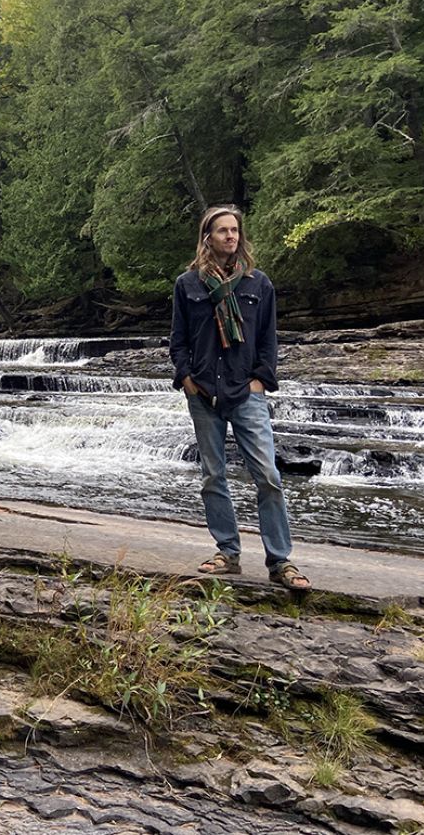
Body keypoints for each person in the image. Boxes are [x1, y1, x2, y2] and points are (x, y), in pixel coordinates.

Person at [169, 206, 311, 591]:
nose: (230, 236)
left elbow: (268, 339)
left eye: (235, 230)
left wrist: (260, 381)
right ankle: (227, 553)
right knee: (213, 476)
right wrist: (186, 379)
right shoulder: (188, 285)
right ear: (207, 238)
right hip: (203, 392)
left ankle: (280, 561)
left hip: (245, 393)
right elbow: (178, 340)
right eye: (222, 231)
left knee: (268, 475)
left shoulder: (258, 284)